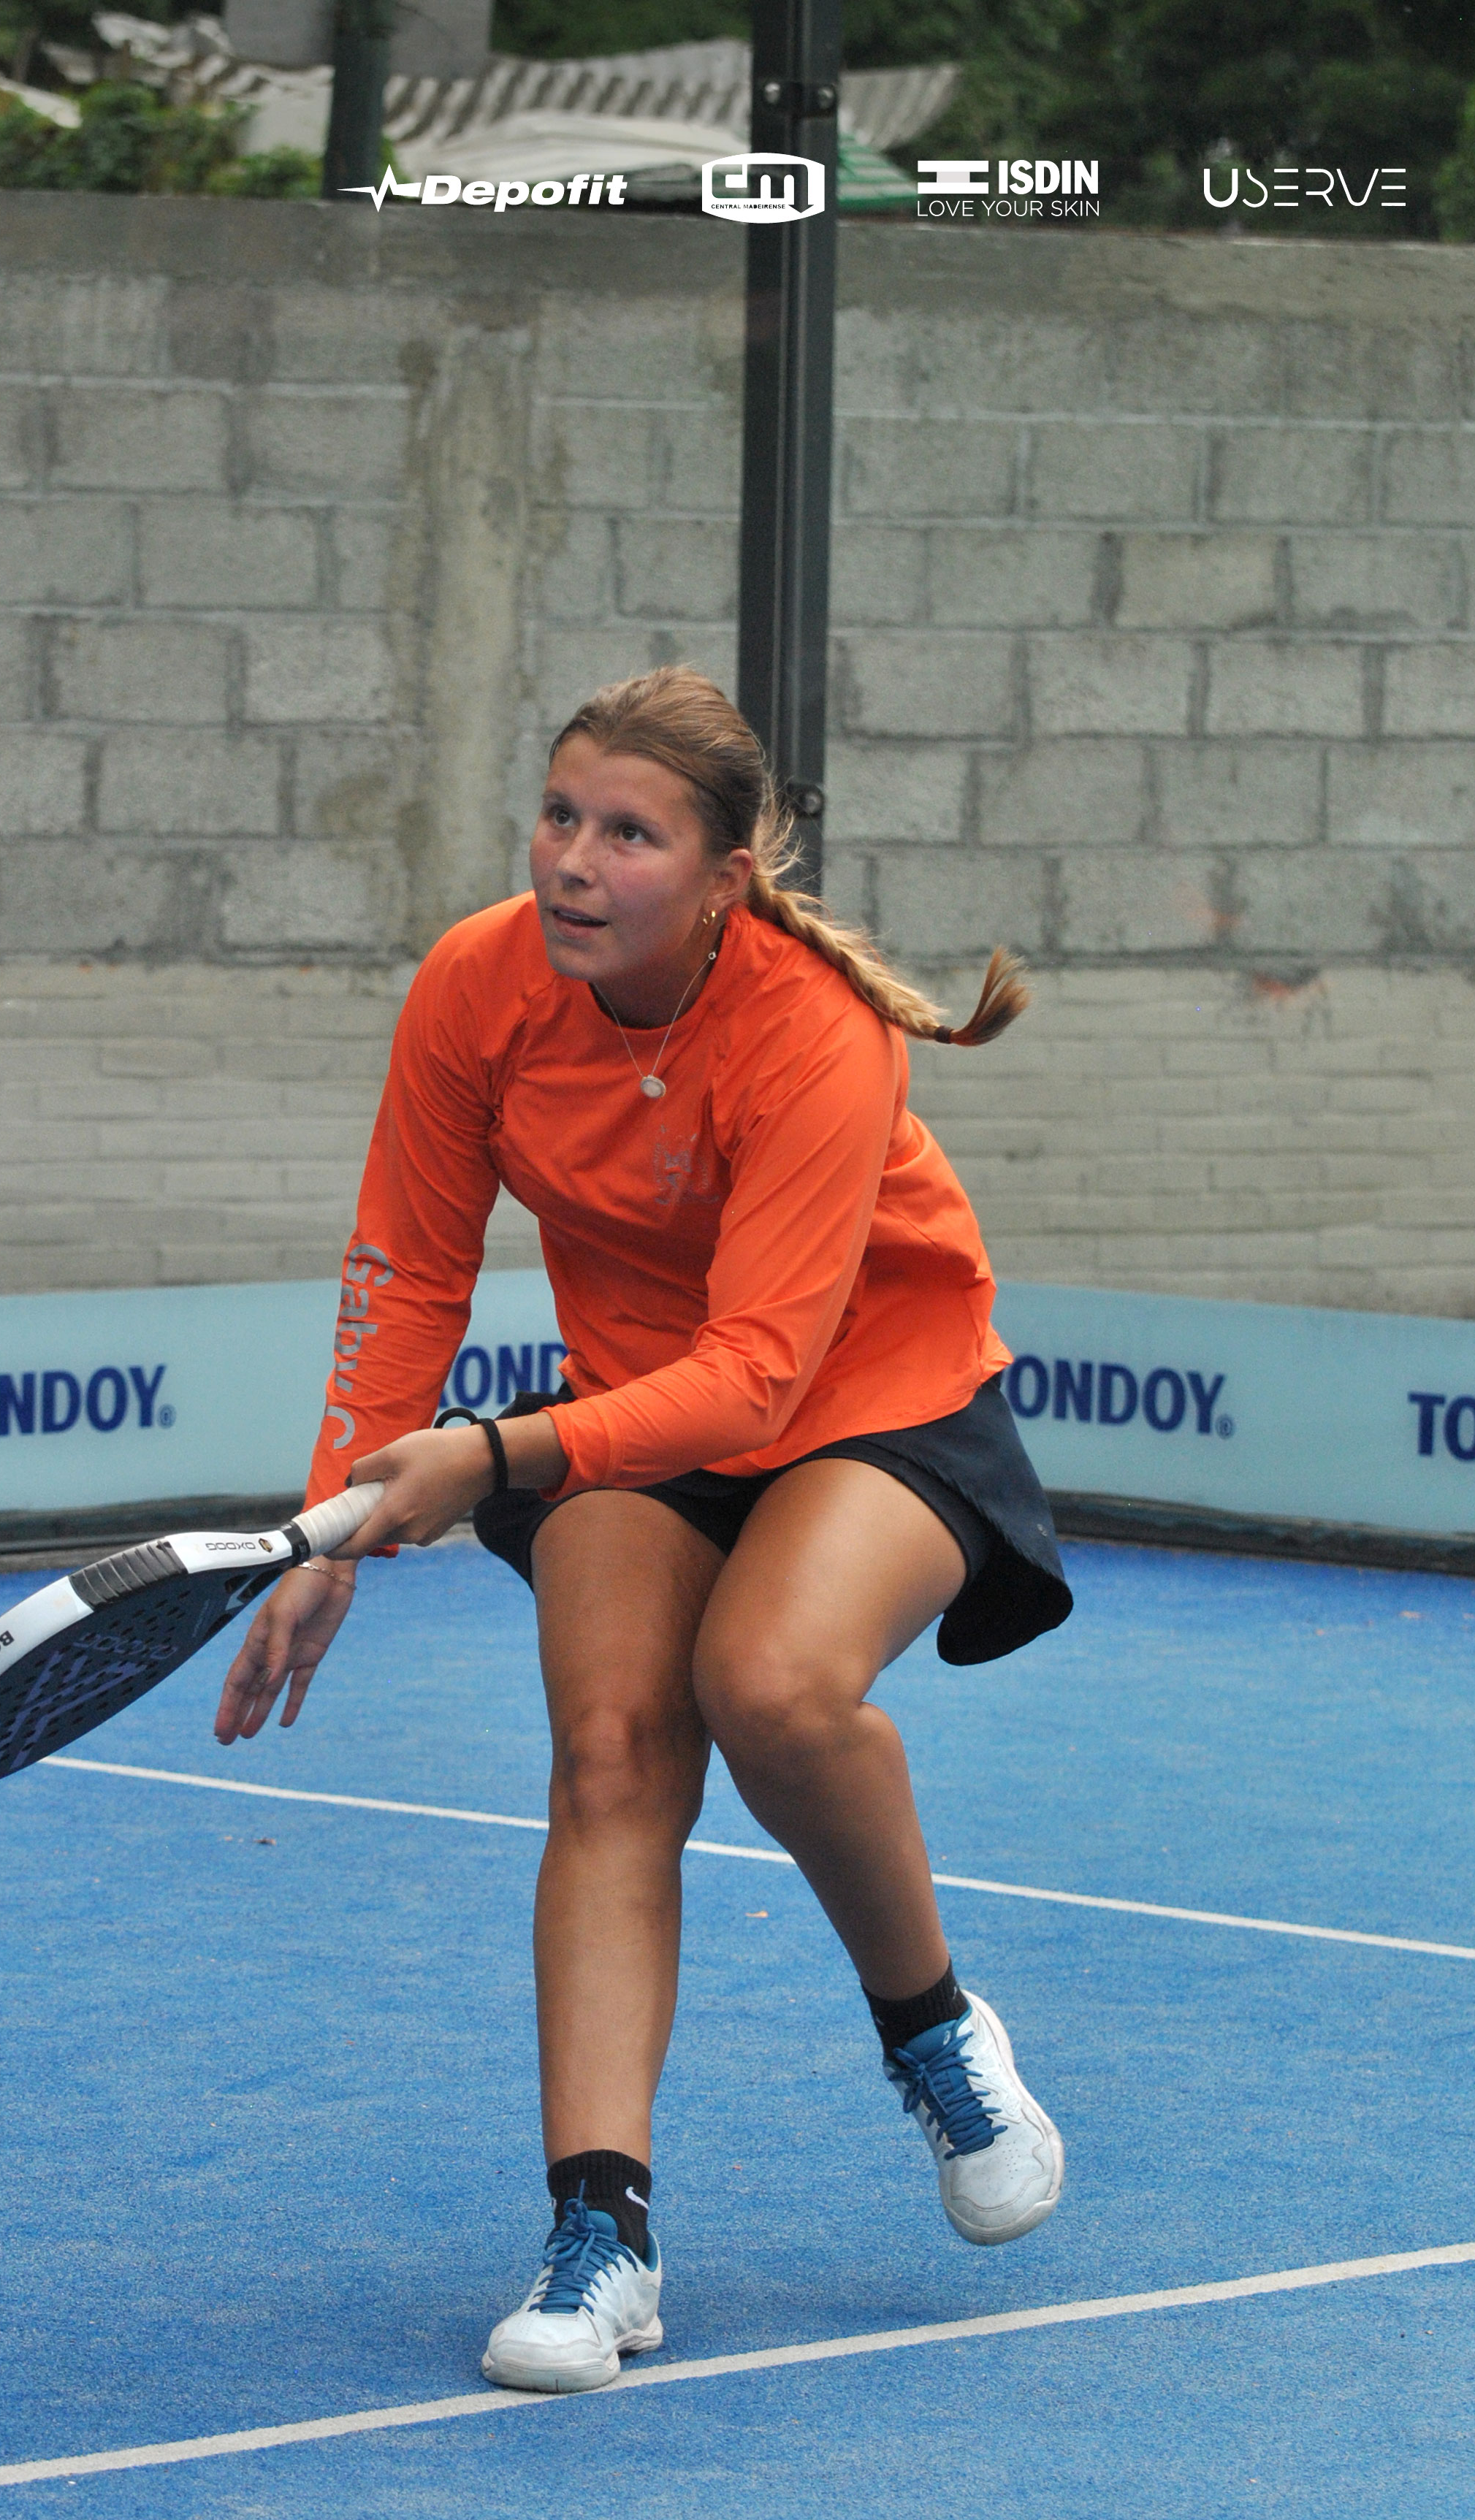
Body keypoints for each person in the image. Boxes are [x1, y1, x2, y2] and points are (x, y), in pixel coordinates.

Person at [214, 666, 1072, 2395]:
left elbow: (761, 1377)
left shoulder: (811, 1029)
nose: (573, 863)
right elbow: (407, 1263)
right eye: (558, 816)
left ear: (724, 877)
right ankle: (602, 2236)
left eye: (629, 833)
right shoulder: (478, 985)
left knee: (768, 1678)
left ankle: (933, 2030)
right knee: (610, 1746)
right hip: (640, 1402)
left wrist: (493, 1452)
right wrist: (331, 1523)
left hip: (872, 1393)